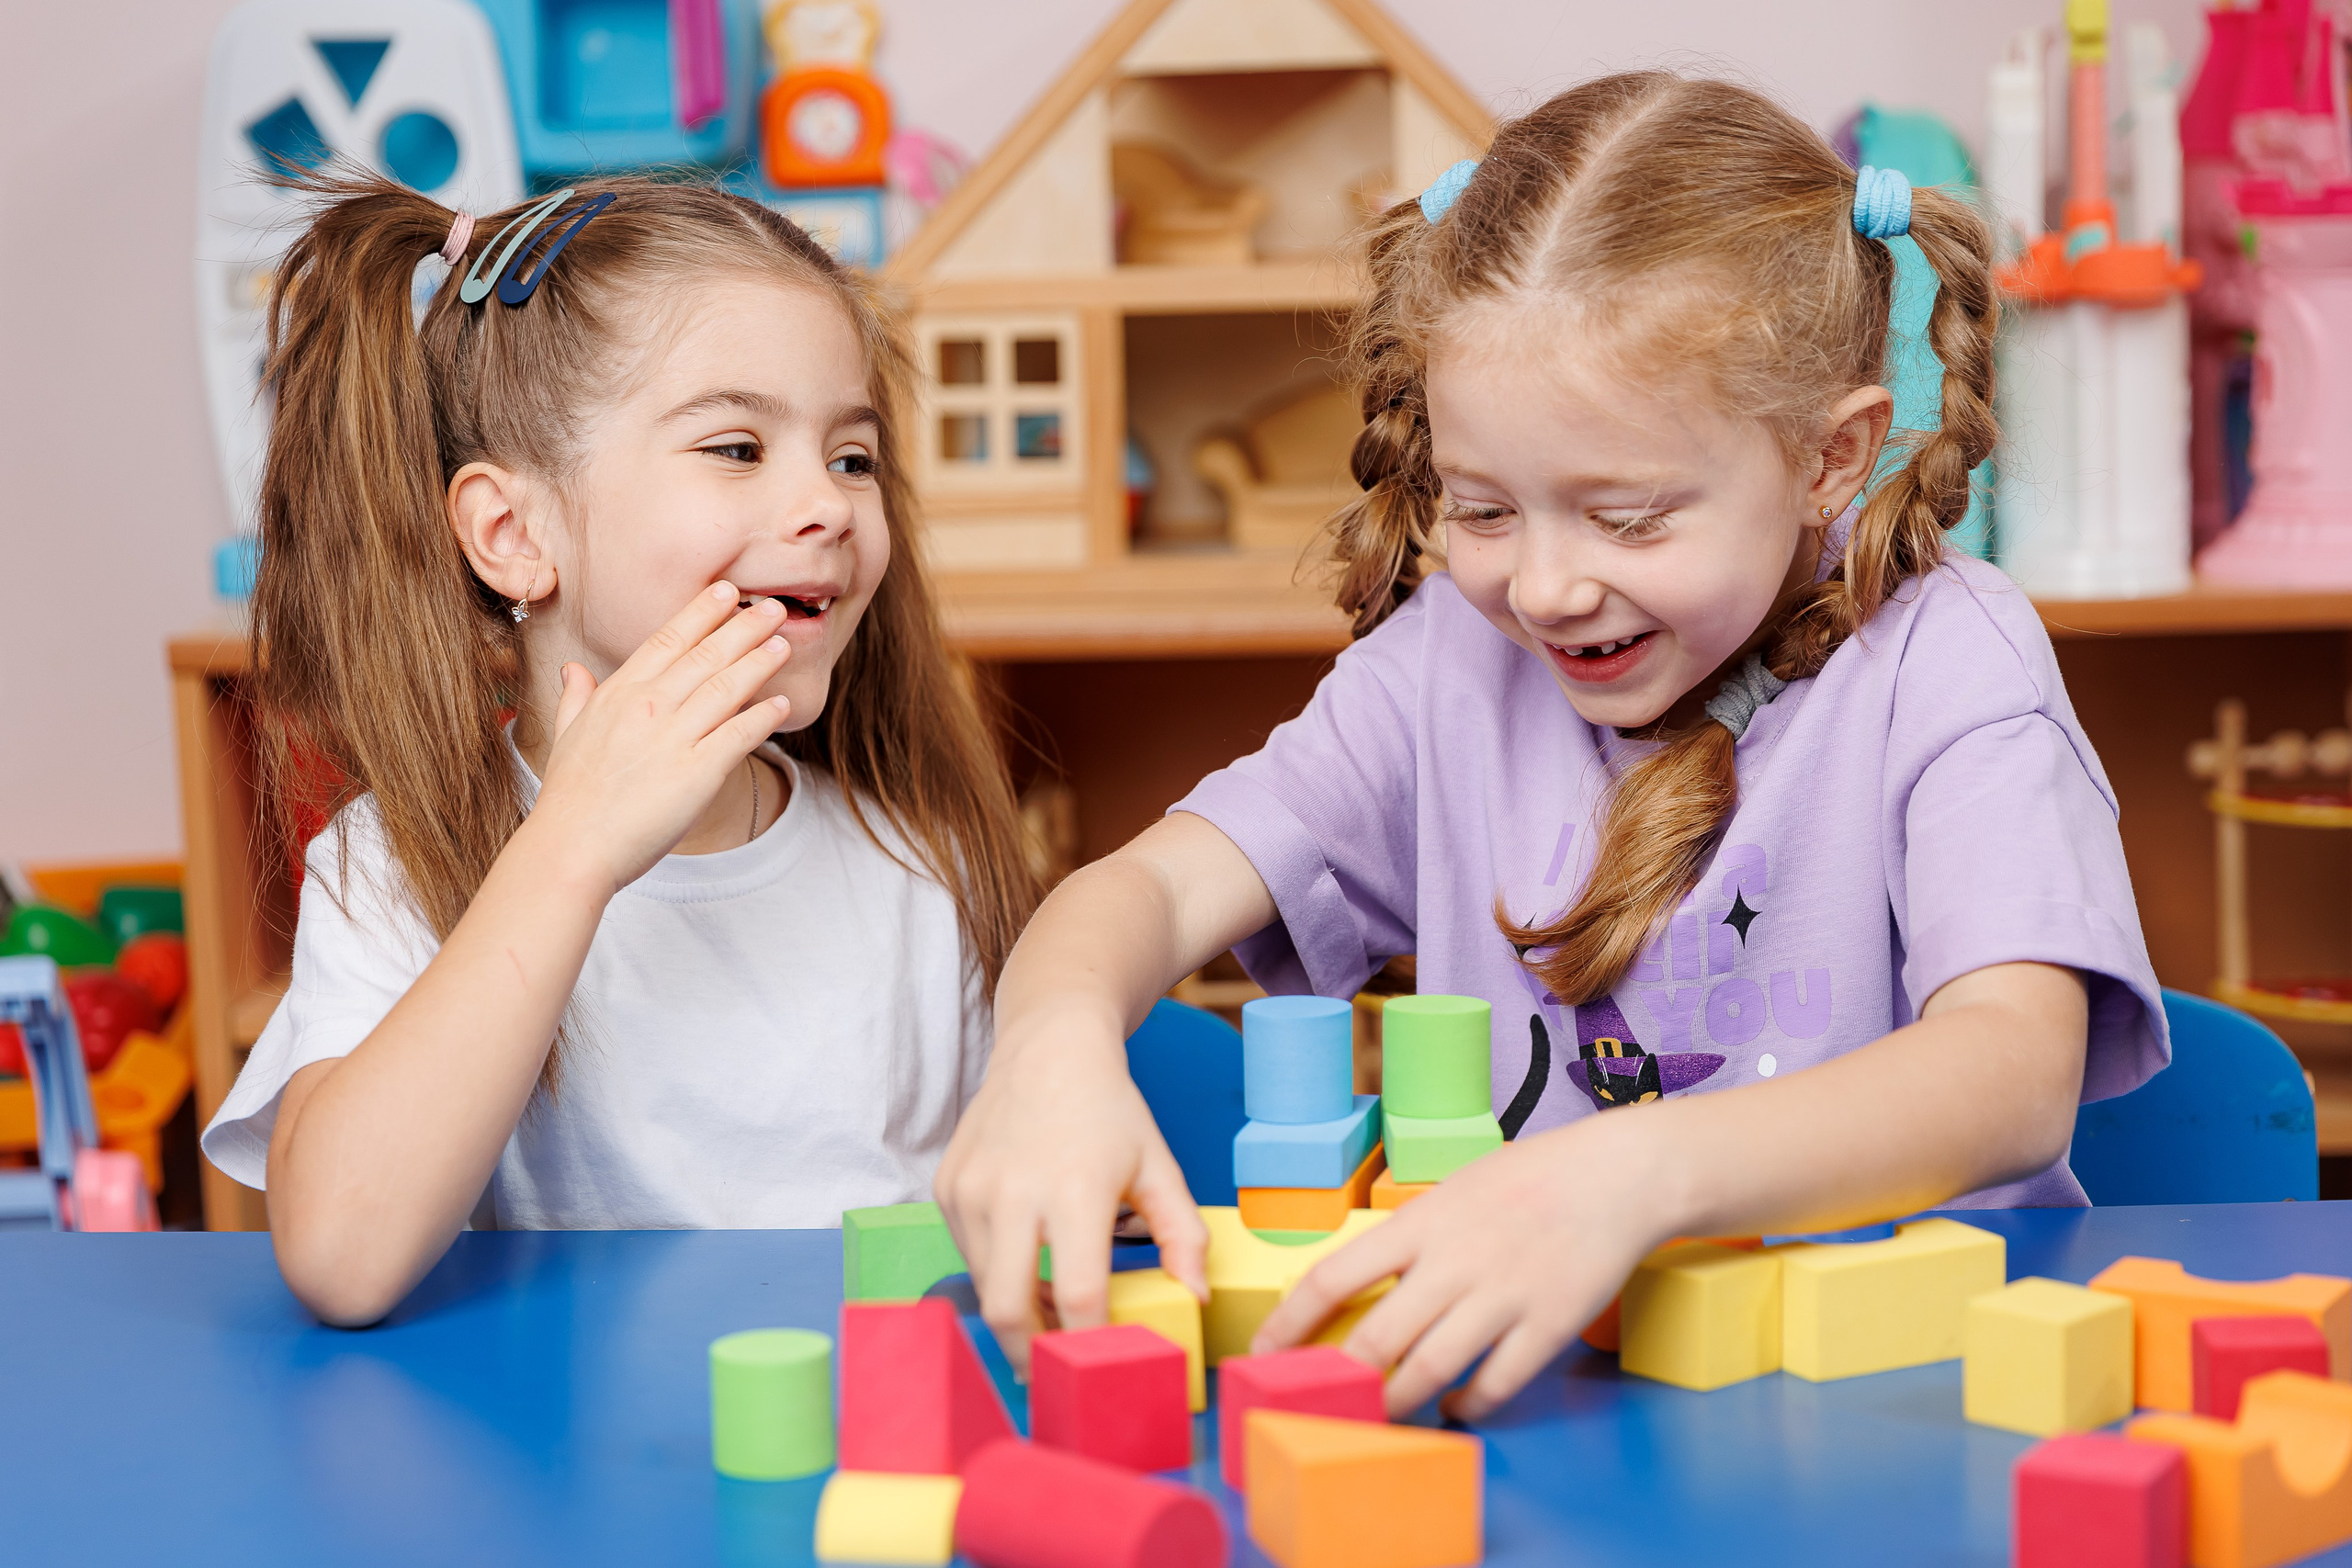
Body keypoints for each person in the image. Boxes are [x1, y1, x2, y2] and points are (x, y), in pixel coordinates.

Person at [935, 73, 2165, 1420]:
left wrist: (1633, 1174)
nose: (1546, 589)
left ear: (1831, 458)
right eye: (1482, 508)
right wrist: (1049, 1039)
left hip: (1913, 1395)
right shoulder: (1443, 671)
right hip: (1558, 1412)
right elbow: (1154, 886)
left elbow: (2015, 1069)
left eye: (1630, 516)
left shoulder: (1950, 660)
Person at [202, 175, 1034, 1325]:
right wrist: (574, 850)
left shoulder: (919, 872)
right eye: (739, 448)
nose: (831, 506)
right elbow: (342, 1257)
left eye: (852, 458)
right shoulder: (393, 865)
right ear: (514, 533)